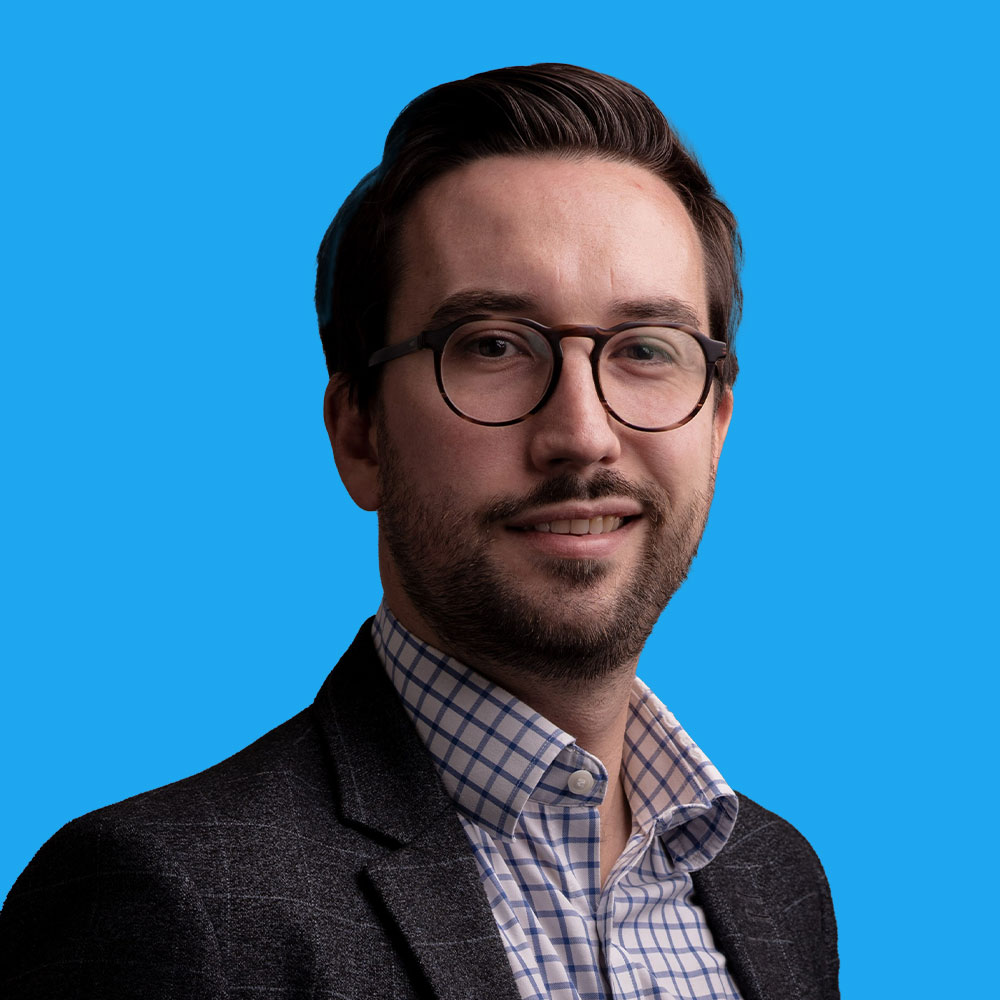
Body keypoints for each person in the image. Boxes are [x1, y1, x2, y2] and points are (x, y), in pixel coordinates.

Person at [0, 64, 838, 999]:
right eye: (491, 346)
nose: (582, 435)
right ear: (359, 432)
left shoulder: (777, 882)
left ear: (717, 420)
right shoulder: (170, 903)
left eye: (646, 350)